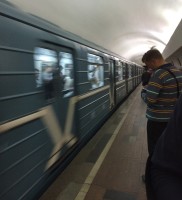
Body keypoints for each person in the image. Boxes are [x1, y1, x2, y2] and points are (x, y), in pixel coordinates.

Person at [142, 49, 182, 156]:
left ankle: (151, 172)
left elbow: (150, 100)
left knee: (154, 149)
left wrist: (143, 92)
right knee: (169, 148)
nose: (149, 68)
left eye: (148, 64)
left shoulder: (158, 74)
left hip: (157, 120)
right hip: (174, 119)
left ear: (154, 61)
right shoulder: (178, 71)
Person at [145, 94, 182, 200]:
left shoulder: (159, 76)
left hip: (158, 119)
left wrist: (144, 94)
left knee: (155, 146)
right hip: (169, 117)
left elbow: (150, 98)